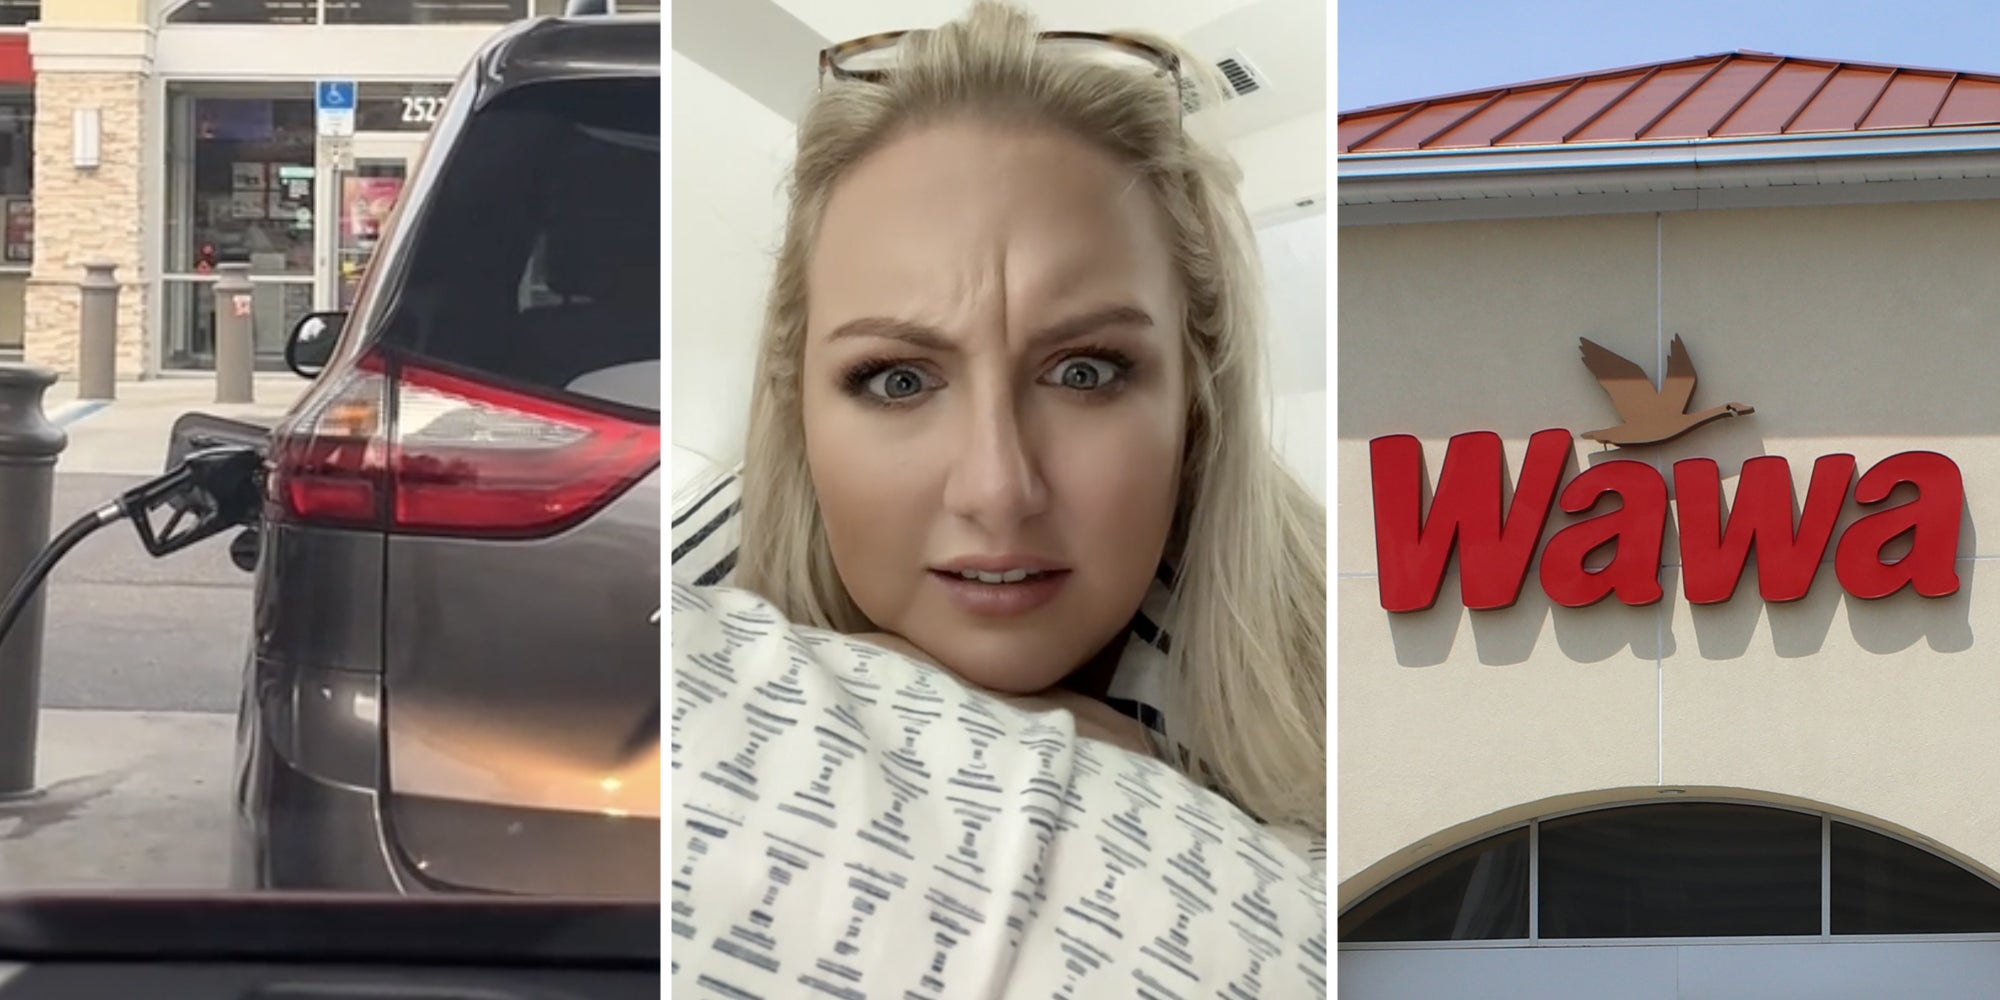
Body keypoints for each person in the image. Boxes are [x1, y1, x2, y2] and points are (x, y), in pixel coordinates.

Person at [691, 0, 1327, 841]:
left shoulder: (1345, 674)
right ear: (794, 397)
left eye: (1085, 372)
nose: (998, 489)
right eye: (898, 380)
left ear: (1196, 398)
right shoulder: (683, 602)